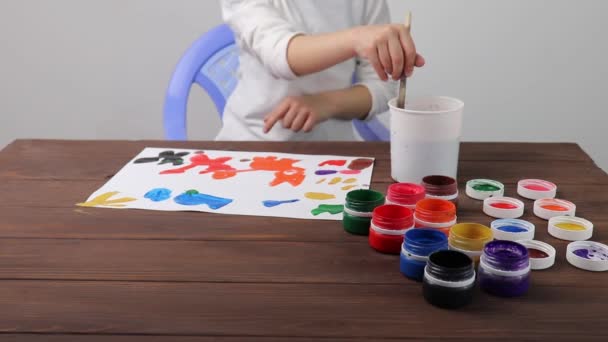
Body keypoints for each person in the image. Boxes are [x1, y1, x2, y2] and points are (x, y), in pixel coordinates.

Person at [216, 0, 425, 141]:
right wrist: (357, 38)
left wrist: (325, 104)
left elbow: (383, 87)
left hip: (331, 153)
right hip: (250, 146)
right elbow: (279, 55)